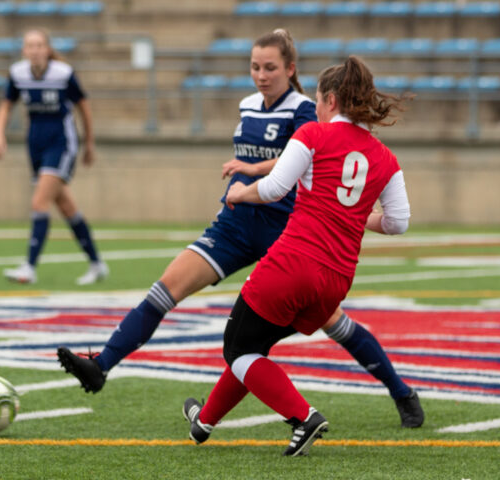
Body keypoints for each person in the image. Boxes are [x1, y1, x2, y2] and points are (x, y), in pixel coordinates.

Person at [57, 30, 422, 428]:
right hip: (238, 222)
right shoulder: (248, 105)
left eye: (270, 68)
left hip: (286, 229)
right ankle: (102, 365)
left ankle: (400, 391)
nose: (261, 75)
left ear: (291, 70)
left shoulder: (305, 110)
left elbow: (296, 162)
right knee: (167, 287)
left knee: (333, 323)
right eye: (255, 67)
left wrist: (251, 172)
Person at [183, 56, 415, 456]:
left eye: (318, 101)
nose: (316, 108)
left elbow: (275, 188)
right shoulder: (385, 158)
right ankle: (204, 423)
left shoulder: (313, 134)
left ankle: (304, 417)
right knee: (253, 347)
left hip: (294, 263)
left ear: (331, 100)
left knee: (237, 349)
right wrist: (353, 216)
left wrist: (241, 191)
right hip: (336, 279)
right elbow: (399, 223)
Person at [0, 28, 108, 286]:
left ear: (47, 49)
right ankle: (97, 264)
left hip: (61, 142)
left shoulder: (62, 74)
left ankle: (29, 267)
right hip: (35, 143)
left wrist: (89, 143)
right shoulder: (18, 73)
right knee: (66, 206)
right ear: (24, 50)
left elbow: (84, 106)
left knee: (39, 202)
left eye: (39, 45)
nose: (34, 50)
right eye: (29, 46)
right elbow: (6, 105)